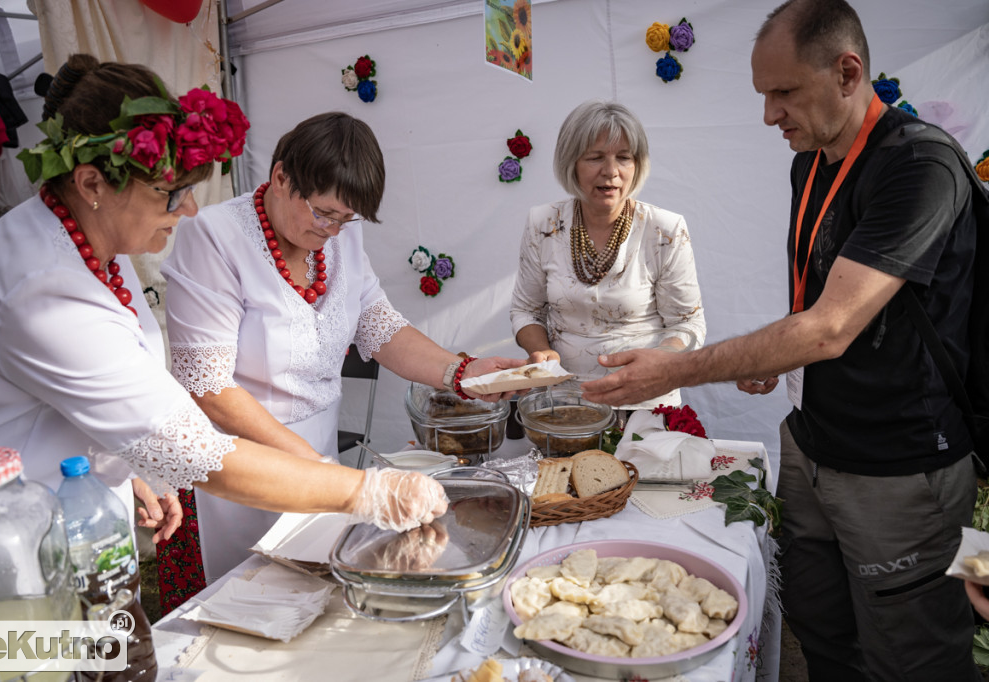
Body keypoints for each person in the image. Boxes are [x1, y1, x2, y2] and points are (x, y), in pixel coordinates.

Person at [581, 1, 981, 679]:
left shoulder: (920, 166)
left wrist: (676, 369)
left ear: (848, 72)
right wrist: (779, 355)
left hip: (899, 465)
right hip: (810, 438)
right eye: (765, 95)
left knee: (910, 656)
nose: (770, 115)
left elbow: (830, 328)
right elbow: (821, 295)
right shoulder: (813, 161)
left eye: (784, 92)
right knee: (819, 626)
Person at [0, 54, 451, 586]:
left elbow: (108, 383)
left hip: (67, 514)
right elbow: (196, 444)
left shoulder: (96, 240)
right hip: (6, 545)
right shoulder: (41, 289)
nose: (190, 209)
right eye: (171, 193)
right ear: (92, 184)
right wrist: (364, 491)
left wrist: (123, 464)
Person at [161, 112, 524, 581]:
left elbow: (379, 326)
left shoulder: (339, 239)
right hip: (239, 461)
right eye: (324, 213)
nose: (333, 230)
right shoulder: (213, 237)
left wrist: (463, 372)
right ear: (280, 177)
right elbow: (207, 387)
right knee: (246, 592)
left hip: (315, 451)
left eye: (346, 219)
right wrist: (314, 467)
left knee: (312, 584)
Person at [510, 100, 705, 410]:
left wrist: (658, 360)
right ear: (571, 162)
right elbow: (526, 310)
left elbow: (688, 324)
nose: (611, 172)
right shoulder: (543, 223)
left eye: (624, 158)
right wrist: (541, 351)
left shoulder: (664, 230)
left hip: (644, 398)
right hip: (562, 399)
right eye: (595, 157)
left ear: (637, 165)